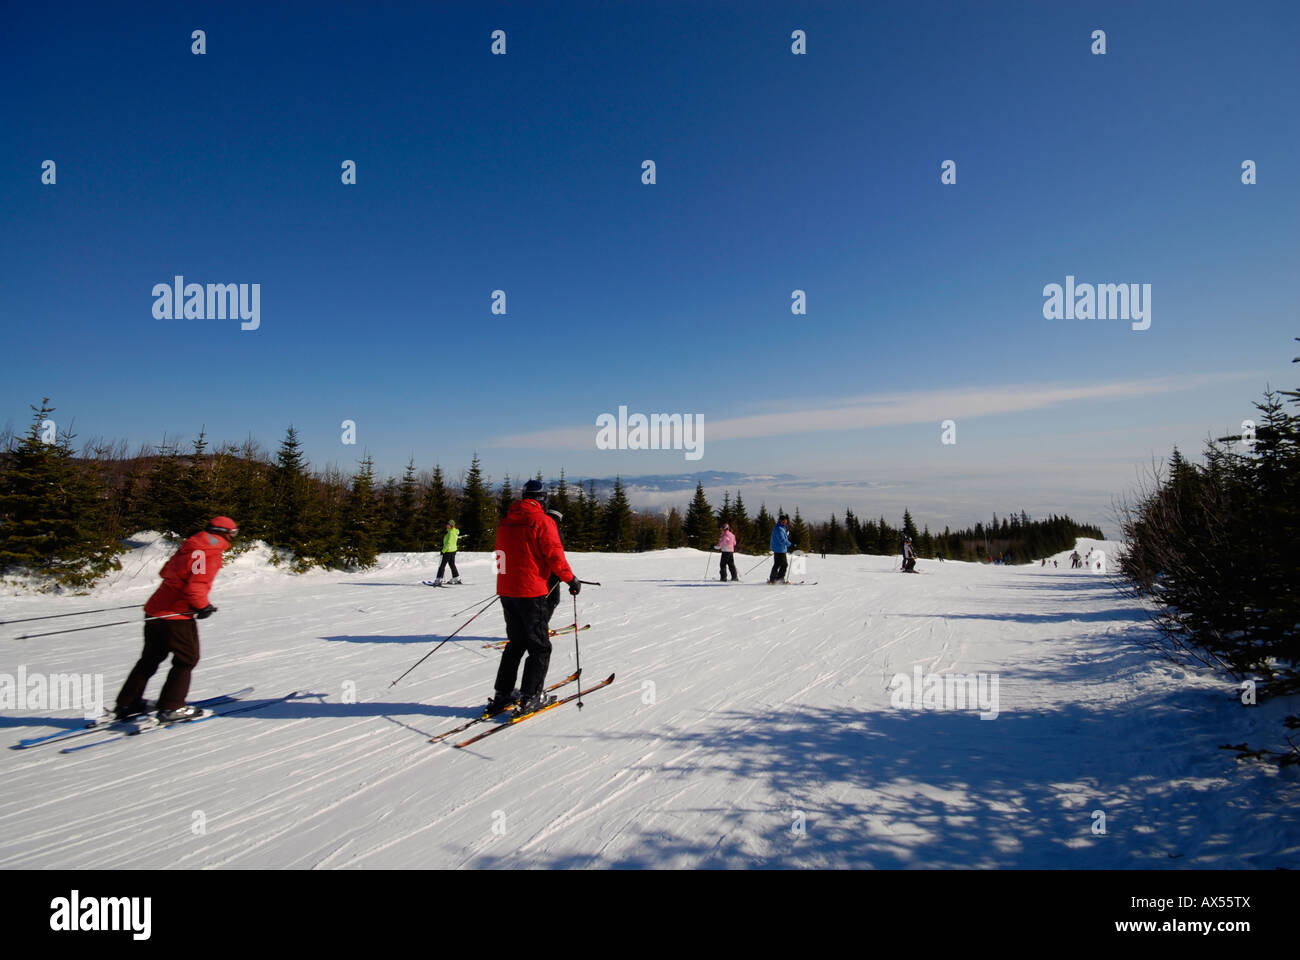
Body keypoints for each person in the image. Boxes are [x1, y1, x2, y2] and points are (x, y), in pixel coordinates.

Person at [113, 517, 237, 722]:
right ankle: (172, 706)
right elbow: (196, 585)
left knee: (150, 658)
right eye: (233, 534)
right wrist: (202, 606)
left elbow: (165, 572)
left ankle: (127, 703)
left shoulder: (190, 546)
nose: (233, 538)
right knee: (187, 658)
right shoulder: (208, 553)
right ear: (224, 533)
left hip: (155, 609)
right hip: (175, 614)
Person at [487, 479, 580, 716]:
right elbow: (554, 556)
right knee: (540, 648)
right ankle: (531, 696)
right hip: (531, 592)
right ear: (542, 498)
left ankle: (503, 693)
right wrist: (571, 580)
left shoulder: (506, 521)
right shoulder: (542, 521)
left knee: (515, 644)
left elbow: (500, 555)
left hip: (507, 591)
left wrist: (506, 582)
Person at [544, 507, 566, 623]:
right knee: (552, 599)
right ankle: (541, 627)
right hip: (551, 571)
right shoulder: (554, 529)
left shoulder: (538, 523)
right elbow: (556, 554)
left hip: (534, 571)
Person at [432, 519, 460, 586]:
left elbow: (448, 543)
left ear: (451, 525)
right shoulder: (454, 532)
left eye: (448, 524)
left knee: (442, 565)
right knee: (452, 564)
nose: (446, 525)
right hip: (453, 550)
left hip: (448, 551)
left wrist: (443, 551)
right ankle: (456, 578)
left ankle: (439, 579)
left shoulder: (451, 533)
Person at [768, 514, 792, 584]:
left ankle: (774, 579)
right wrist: (790, 544)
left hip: (779, 549)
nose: (785, 522)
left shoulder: (781, 528)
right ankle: (779, 578)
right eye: (783, 521)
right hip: (779, 549)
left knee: (777, 564)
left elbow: (784, 537)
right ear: (780, 521)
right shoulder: (778, 528)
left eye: (786, 521)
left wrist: (787, 536)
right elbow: (781, 540)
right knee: (784, 564)